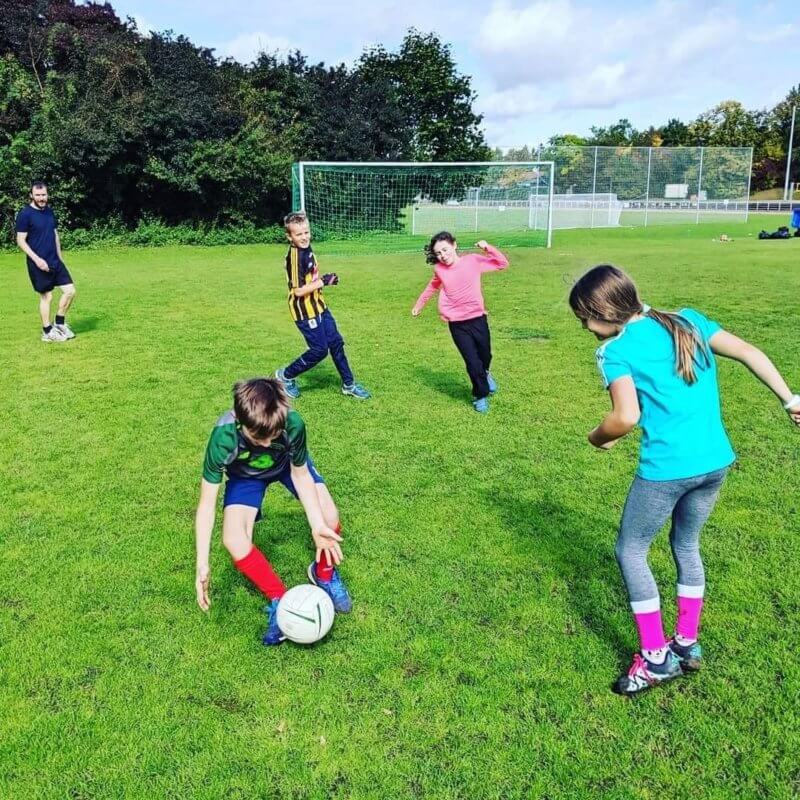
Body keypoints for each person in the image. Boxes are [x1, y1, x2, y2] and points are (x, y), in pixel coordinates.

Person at [569, 264, 799, 695]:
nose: (584, 326)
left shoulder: (614, 352)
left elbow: (625, 416)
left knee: (631, 549)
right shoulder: (687, 319)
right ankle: (687, 644)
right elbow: (750, 351)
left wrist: (598, 437)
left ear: (602, 312)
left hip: (667, 471)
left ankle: (656, 659)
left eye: (585, 317)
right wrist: (790, 399)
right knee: (686, 544)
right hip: (715, 463)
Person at [194, 377, 353, 645]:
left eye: (274, 435)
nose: (267, 443)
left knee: (329, 517)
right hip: (246, 478)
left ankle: (323, 574)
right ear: (240, 421)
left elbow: (302, 476)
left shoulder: (292, 424)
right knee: (234, 539)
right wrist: (202, 562)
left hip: (287, 466)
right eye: (259, 437)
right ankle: (280, 598)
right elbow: (207, 504)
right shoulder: (223, 437)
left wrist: (316, 525)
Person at [274, 212, 370, 400]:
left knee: (336, 343)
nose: (304, 237)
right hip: (304, 311)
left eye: (306, 232)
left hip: (319, 306)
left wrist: (324, 280)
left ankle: (349, 384)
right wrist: (324, 282)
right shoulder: (295, 258)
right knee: (319, 350)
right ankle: (285, 376)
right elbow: (298, 291)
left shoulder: (307, 247)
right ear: (289, 237)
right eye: (299, 234)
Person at [412, 232, 509, 413]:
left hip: (478, 318)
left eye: (445, 250)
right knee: (472, 361)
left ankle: (485, 374)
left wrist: (487, 247)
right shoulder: (439, 270)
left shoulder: (472, 261)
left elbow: (502, 263)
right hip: (457, 323)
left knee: (485, 356)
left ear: (454, 245)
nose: (442, 255)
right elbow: (432, 287)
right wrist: (419, 305)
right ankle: (480, 395)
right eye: (438, 253)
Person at [15, 181, 77, 342]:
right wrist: (37, 260)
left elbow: (54, 234)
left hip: (55, 260)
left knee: (70, 291)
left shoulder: (49, 212)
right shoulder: (25, 214)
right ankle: (47, 331)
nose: (41, 198)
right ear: (31, 195)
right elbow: (20, 240)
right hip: (38, 264)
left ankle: (60, 323)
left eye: (44, 195)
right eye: (38, 195)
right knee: (47, 297)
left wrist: (60, 257)